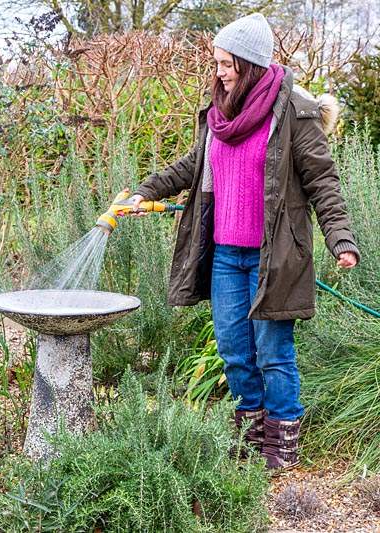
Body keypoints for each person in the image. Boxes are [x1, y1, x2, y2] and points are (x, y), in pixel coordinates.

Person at [129, 12, 360, 471]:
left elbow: (323, 182)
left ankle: (282, 447)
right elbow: (192, 165)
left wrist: (341, 239)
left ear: (251, 63)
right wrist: (147, 190)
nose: (219, 71)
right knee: (235, 352)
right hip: (225, 256)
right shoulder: (220, 113)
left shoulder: (294, 110)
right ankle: (250, 441)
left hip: (272, 257)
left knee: (273, 353)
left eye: (227, 63)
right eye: (216, 62)